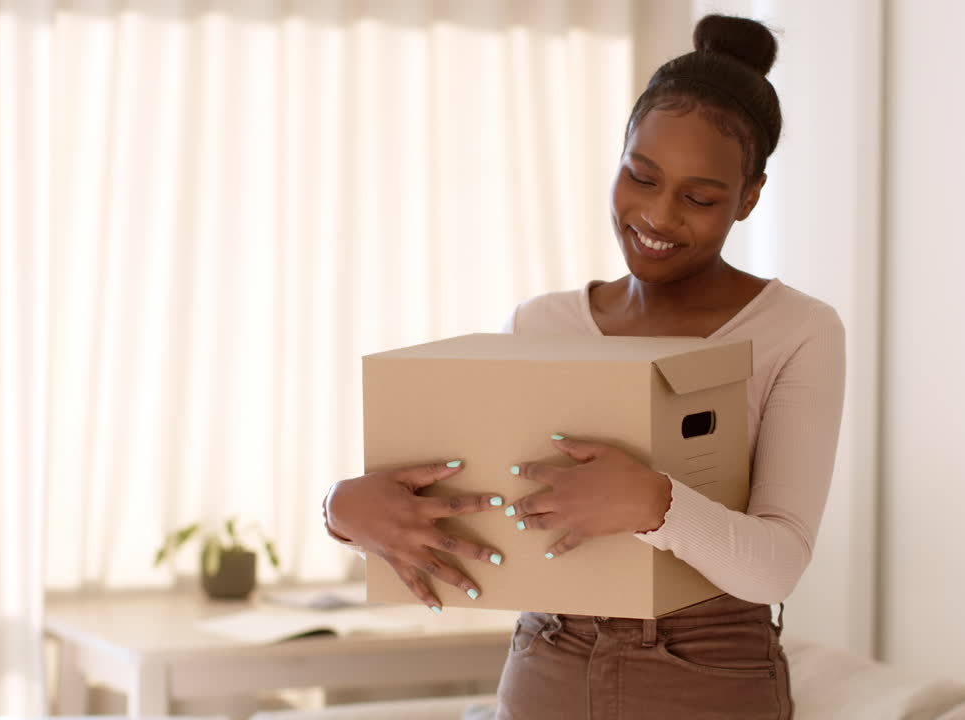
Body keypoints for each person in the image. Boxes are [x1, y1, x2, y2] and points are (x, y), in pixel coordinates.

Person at [323, 14, 845, 720]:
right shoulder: (541, 324)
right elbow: (483, 512)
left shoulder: (796, 329)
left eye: (699, 198)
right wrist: (344, 513)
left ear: (749, 197)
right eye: (641, 176)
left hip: (709, 673)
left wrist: (656, 503)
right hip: (547, 662)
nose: (658, 215)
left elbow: (778, 564)